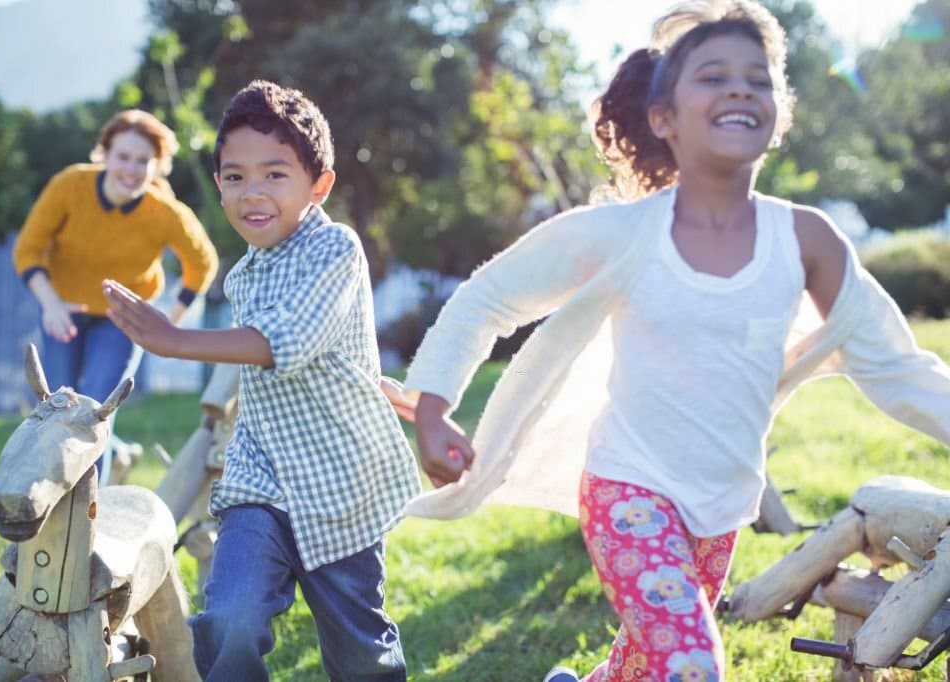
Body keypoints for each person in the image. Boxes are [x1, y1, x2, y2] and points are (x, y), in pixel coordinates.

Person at [400, 1, 950, 680]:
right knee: (691, 664)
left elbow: (900, 368)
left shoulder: (809, 243)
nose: (739, 88)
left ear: (781, 110)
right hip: (626, 491)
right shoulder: (624, 235)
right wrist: (432, 406)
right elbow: (489, 296)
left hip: (720, 506)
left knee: (643, 662)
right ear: (664, 118)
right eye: (712, 75)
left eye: (759, 76)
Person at [102, 80, 420, 681]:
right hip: (261, 476)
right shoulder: (244, 276)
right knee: (232, 621)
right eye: (234, 176)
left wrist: (172, 340)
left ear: (318, 185)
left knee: (361, 653)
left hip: (339, 483)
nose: (253, 193)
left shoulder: (336, 248)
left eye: (275, 175)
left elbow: (292, 341)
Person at [13, 109, 219, 482]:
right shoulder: (70, 186)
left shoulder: (165, 213)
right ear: (104, 154)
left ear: (158, 167)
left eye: (144, 161)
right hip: (65, 309)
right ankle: (95, 469)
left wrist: (169, 320)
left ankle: (90, 515)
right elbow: (28, 248)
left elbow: (203, 262)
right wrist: (50, 302)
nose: (132, 169)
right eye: (123, 156)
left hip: (122, 319)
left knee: (94, 411)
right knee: (58, 409)